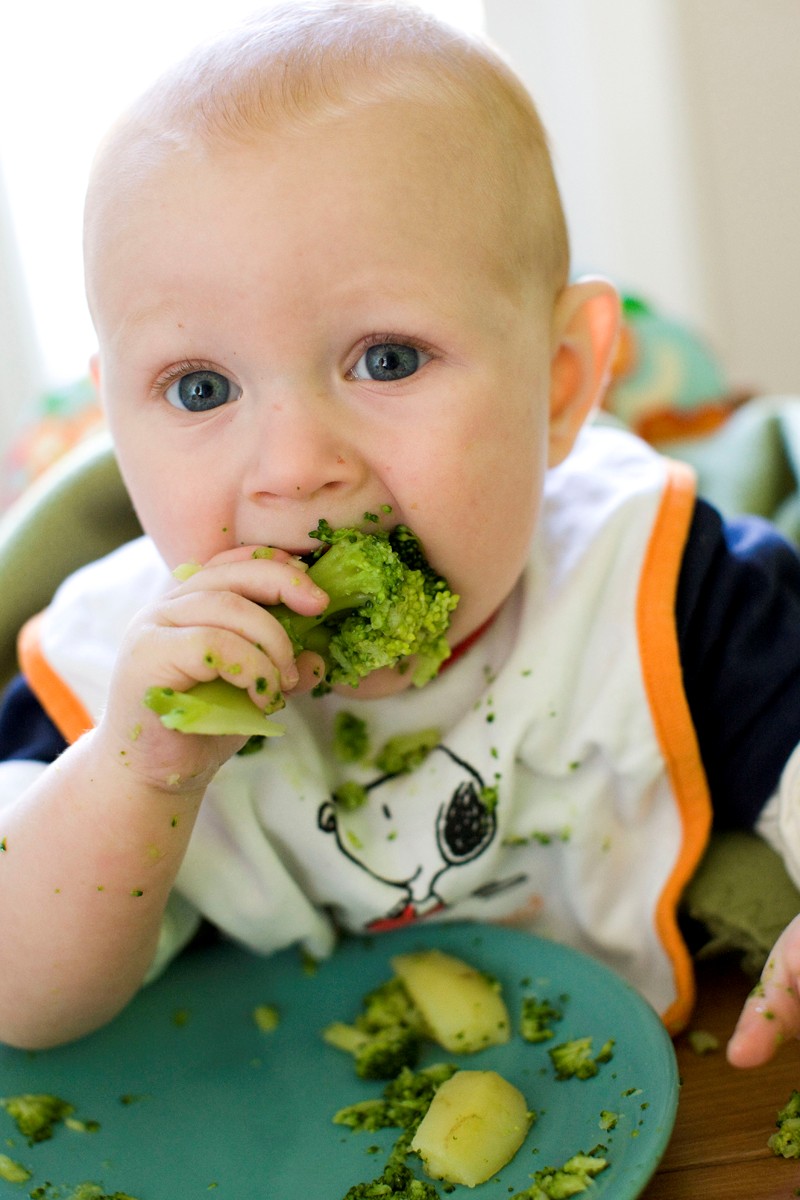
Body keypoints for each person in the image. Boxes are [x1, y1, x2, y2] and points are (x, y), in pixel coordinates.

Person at [0, 0, 798, 1064]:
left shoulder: (654, 578)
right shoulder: (113, 677)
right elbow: (19, 999)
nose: (291, 467)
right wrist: (135, 780)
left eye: (385, 360)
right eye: (198, 387)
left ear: (557, 385)